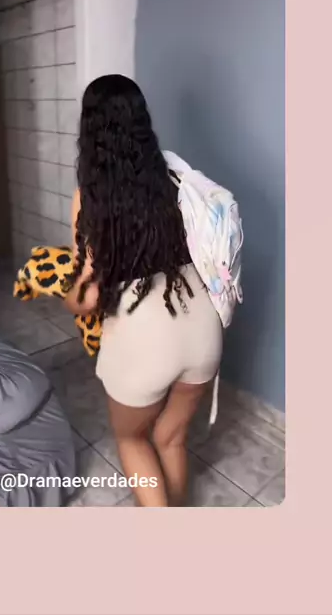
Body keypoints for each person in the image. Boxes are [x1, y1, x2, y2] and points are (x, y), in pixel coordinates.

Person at [63, 75, 223, 507]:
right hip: (203, 326)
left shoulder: (90, 199)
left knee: (132, 438)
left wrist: (68, 294)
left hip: (146, 340)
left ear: (90, 129)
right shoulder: (177, 182)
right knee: (171, 437)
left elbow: (88, 300)